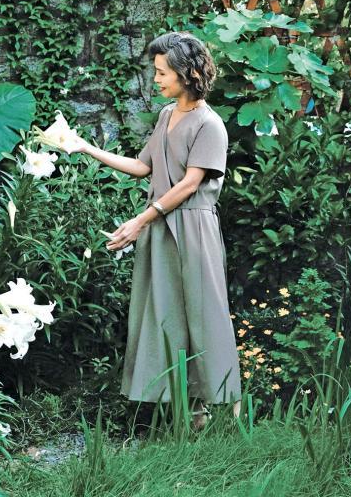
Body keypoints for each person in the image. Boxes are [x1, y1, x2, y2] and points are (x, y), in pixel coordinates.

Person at [75, 31, 241, 427]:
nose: (156, 79)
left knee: (205, 313)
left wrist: (139, 221)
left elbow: (189, 185)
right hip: (161, 225)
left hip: (193, 228)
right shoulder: (167, 115)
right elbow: (142, 166)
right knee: (167, 312)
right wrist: (85, 147)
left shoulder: (210, 125)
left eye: (162, 72)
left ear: (188, 73)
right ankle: (190, 412)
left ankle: (229, 409)